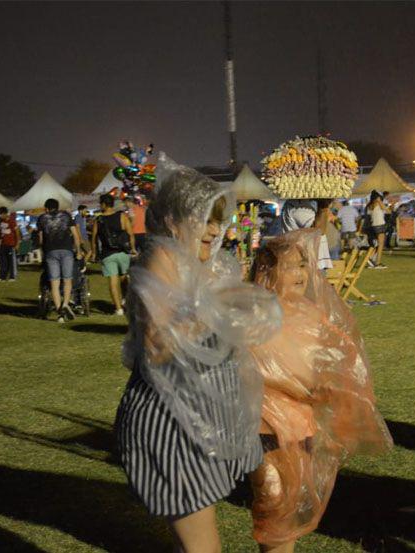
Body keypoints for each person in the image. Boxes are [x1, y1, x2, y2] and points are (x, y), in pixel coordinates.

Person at [115, 162, 282, 553]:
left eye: (217, 221)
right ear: (174, 221)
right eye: (205, 219)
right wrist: (215, 306)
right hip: (173, 427)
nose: (213, 230)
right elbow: (157, 345)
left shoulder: (206, 264)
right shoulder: (162, 259)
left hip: (199, 420)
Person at [247, 230, 392, 552]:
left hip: (302, 424)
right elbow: (259, 370)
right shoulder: (256, 315)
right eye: (289, 267)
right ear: (266, 273)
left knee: (294, 502)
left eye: (303, 265)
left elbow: (331, 361)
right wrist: (303, 386)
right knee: (273, 501)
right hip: (266, 428)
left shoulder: (308, 313)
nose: (300, 274)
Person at [37, 198, 83, 322]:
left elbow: (40, 239)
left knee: (54, 282)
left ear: (46, 208)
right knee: (68, 280)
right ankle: (65, 304)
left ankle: (60, 314)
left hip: (51, 251)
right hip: (66, 250)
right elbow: (75, 235)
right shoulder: (67, 216)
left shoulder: (42, 218)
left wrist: (43, 252)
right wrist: (78, 251)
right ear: (57, 207)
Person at [91, 194, 135, 315]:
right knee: (124, 278)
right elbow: (130, 233)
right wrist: (133, 248)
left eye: (100, 203)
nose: (100, 206)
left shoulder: (98, 220)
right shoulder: (122, 216)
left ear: (104, 204)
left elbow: (94, 238)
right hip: (123, 252)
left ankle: (118, 308)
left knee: (113, 281)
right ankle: (126, 301)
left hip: (107, 254)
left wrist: (94, 253)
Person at [275, 199, 333, 270]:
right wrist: (324, 206)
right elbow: (318, 231)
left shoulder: (295, 204)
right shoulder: (300, 208)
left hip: (305, 261)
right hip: (309, 264)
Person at [0, 206, 21, 282]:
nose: (0, 216)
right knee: (2, 261)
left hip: (11, 244)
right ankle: (2, 277)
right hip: (3, 244)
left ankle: (12, 276)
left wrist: (17, 244)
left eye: (1, 214)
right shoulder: (0, 221)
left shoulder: (12, 221)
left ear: (5, 213)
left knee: (11, 261)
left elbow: (17, 233)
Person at [364, 191, 387, 269]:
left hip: (373, 226)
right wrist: (380, 201)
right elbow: (386, 210)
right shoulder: (378, 203)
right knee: (380, 245)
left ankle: (370, 259)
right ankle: (377, 263)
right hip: (380, 225)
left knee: (375, 245)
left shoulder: (369, 205)